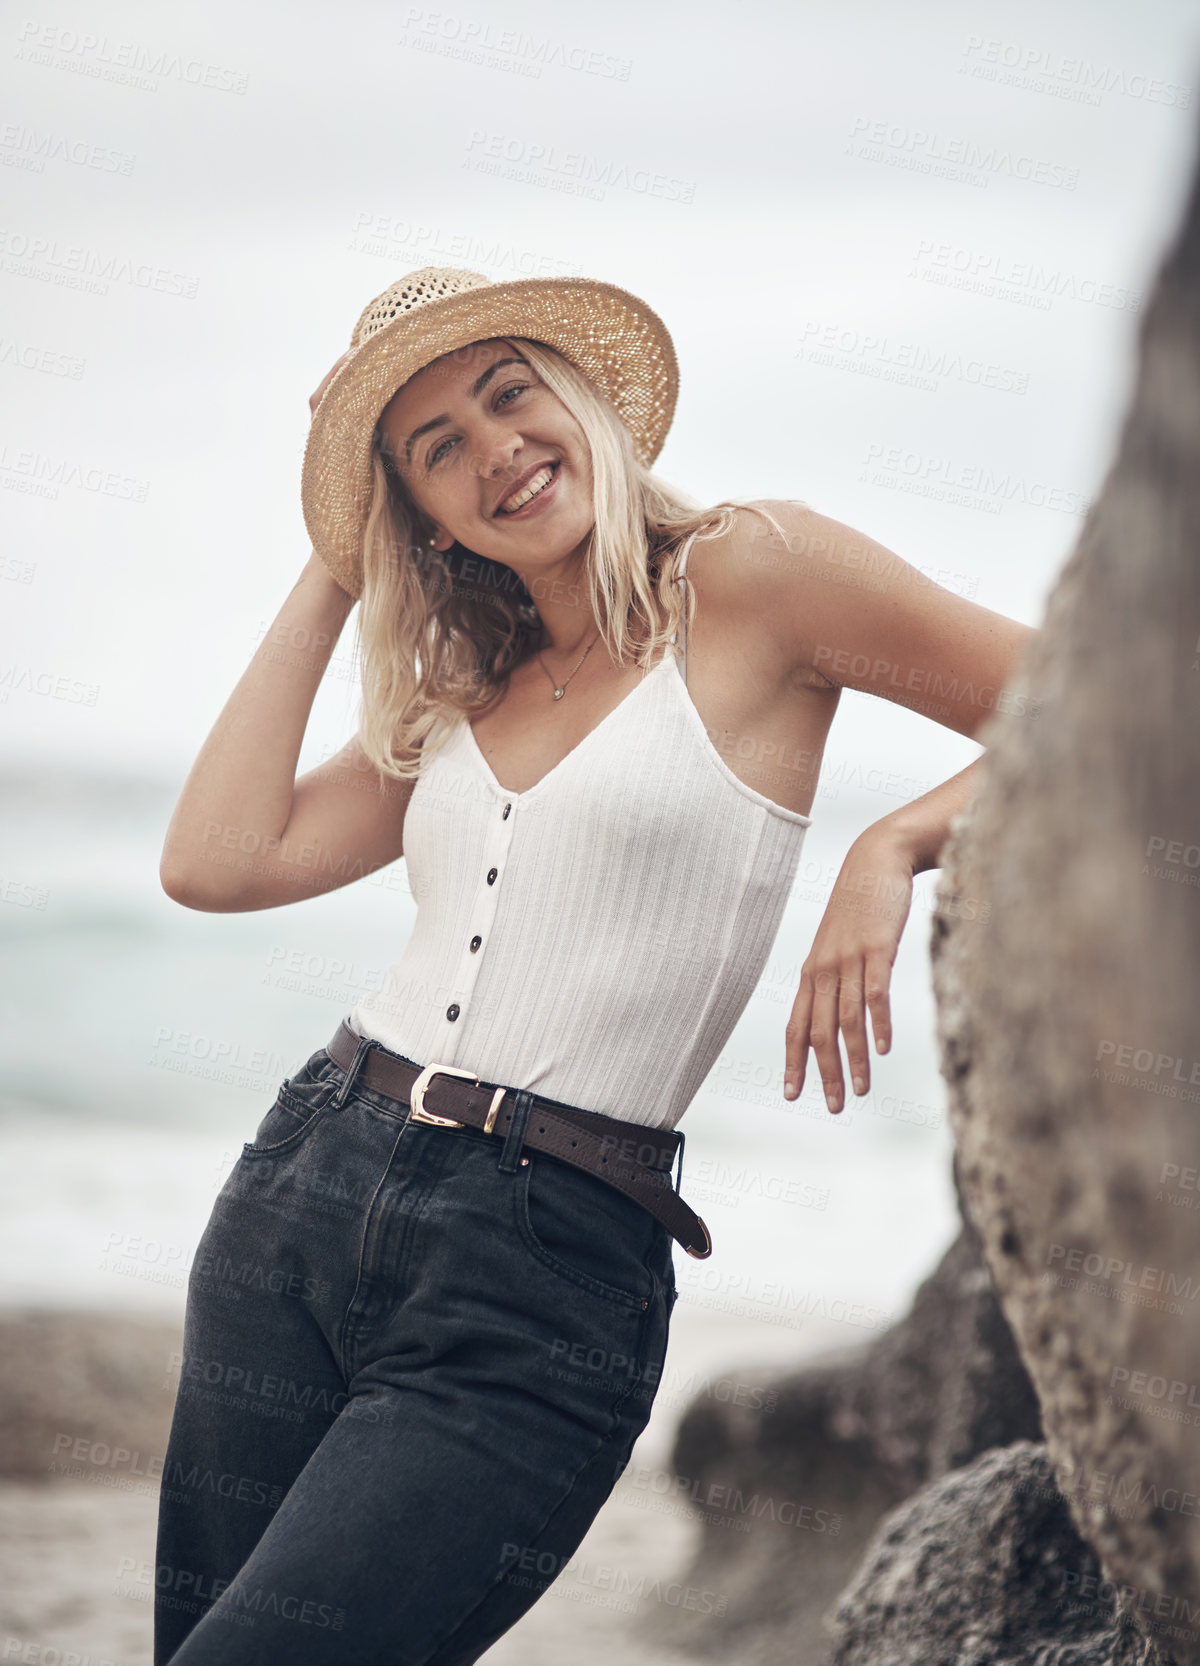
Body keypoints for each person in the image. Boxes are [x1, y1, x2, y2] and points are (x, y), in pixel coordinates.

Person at [153, 267, 1033, 1662]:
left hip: (543, 1266)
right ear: (423, 513)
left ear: (582, 398)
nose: (495, 447)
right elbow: (214, 858)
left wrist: (895, 842)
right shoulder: (466, 687)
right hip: (297, 1200)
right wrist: (337, 553)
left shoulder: (756, 573)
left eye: (510, 392)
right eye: (436, 445)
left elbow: (1093, 692)